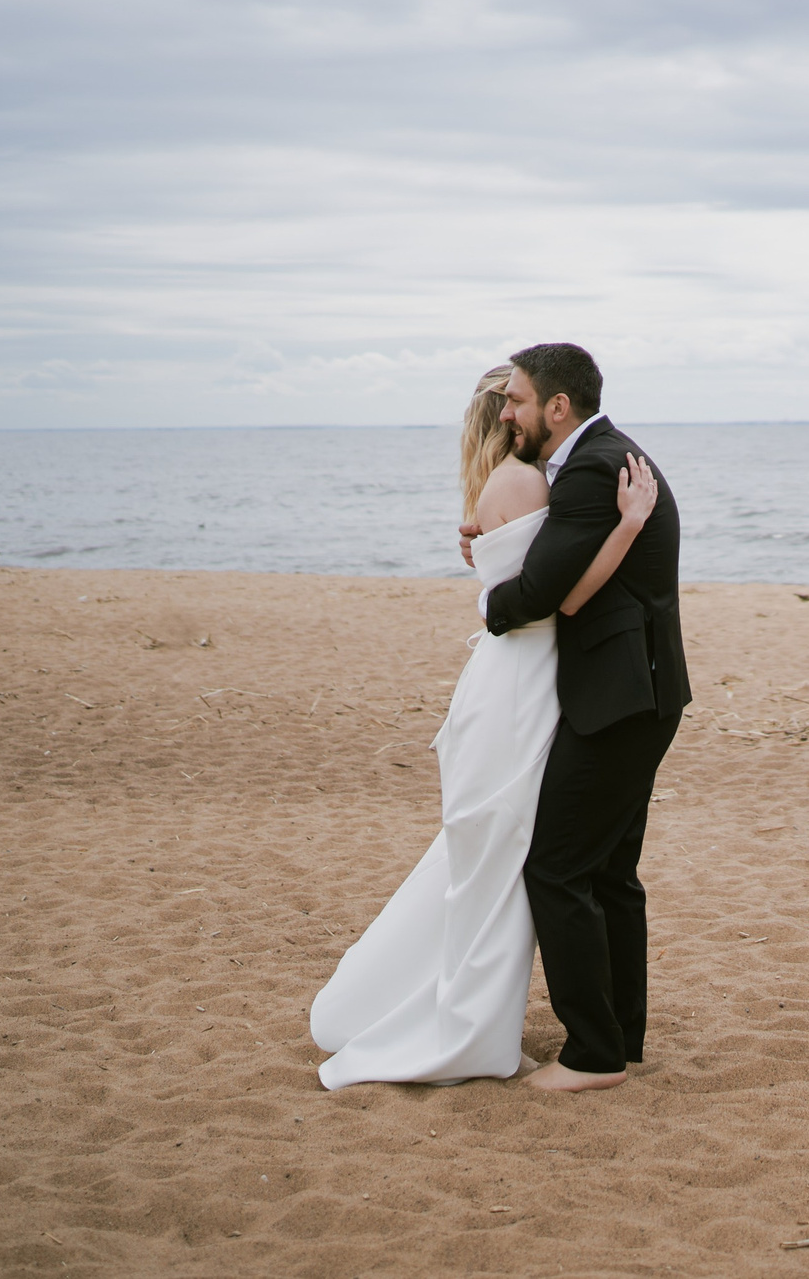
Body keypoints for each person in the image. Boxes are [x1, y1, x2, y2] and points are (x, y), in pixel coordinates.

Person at [307, 360, 658, 1089]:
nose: (514, 417)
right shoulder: (531, 483)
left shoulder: (509, 484)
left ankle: (492, 1021)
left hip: (514, 683)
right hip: (523, 688)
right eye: (512, 405)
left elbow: (525, 578)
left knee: (499, 856)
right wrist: (627, 528)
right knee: (513, 859)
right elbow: (546, 598)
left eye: (519, 404)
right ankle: (484, 1027)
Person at [477, 342, 690, 1092]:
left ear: (557, 406)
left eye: (519, 399)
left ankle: (594, 1053)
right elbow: (570, 577)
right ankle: (620, 1039)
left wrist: (486, 596)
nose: (508, 413)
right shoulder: (605, 458)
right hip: (641, 695)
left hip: (618, 704)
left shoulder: (597, 467)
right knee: (606, 872)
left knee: (557, 867)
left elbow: (543, 593)